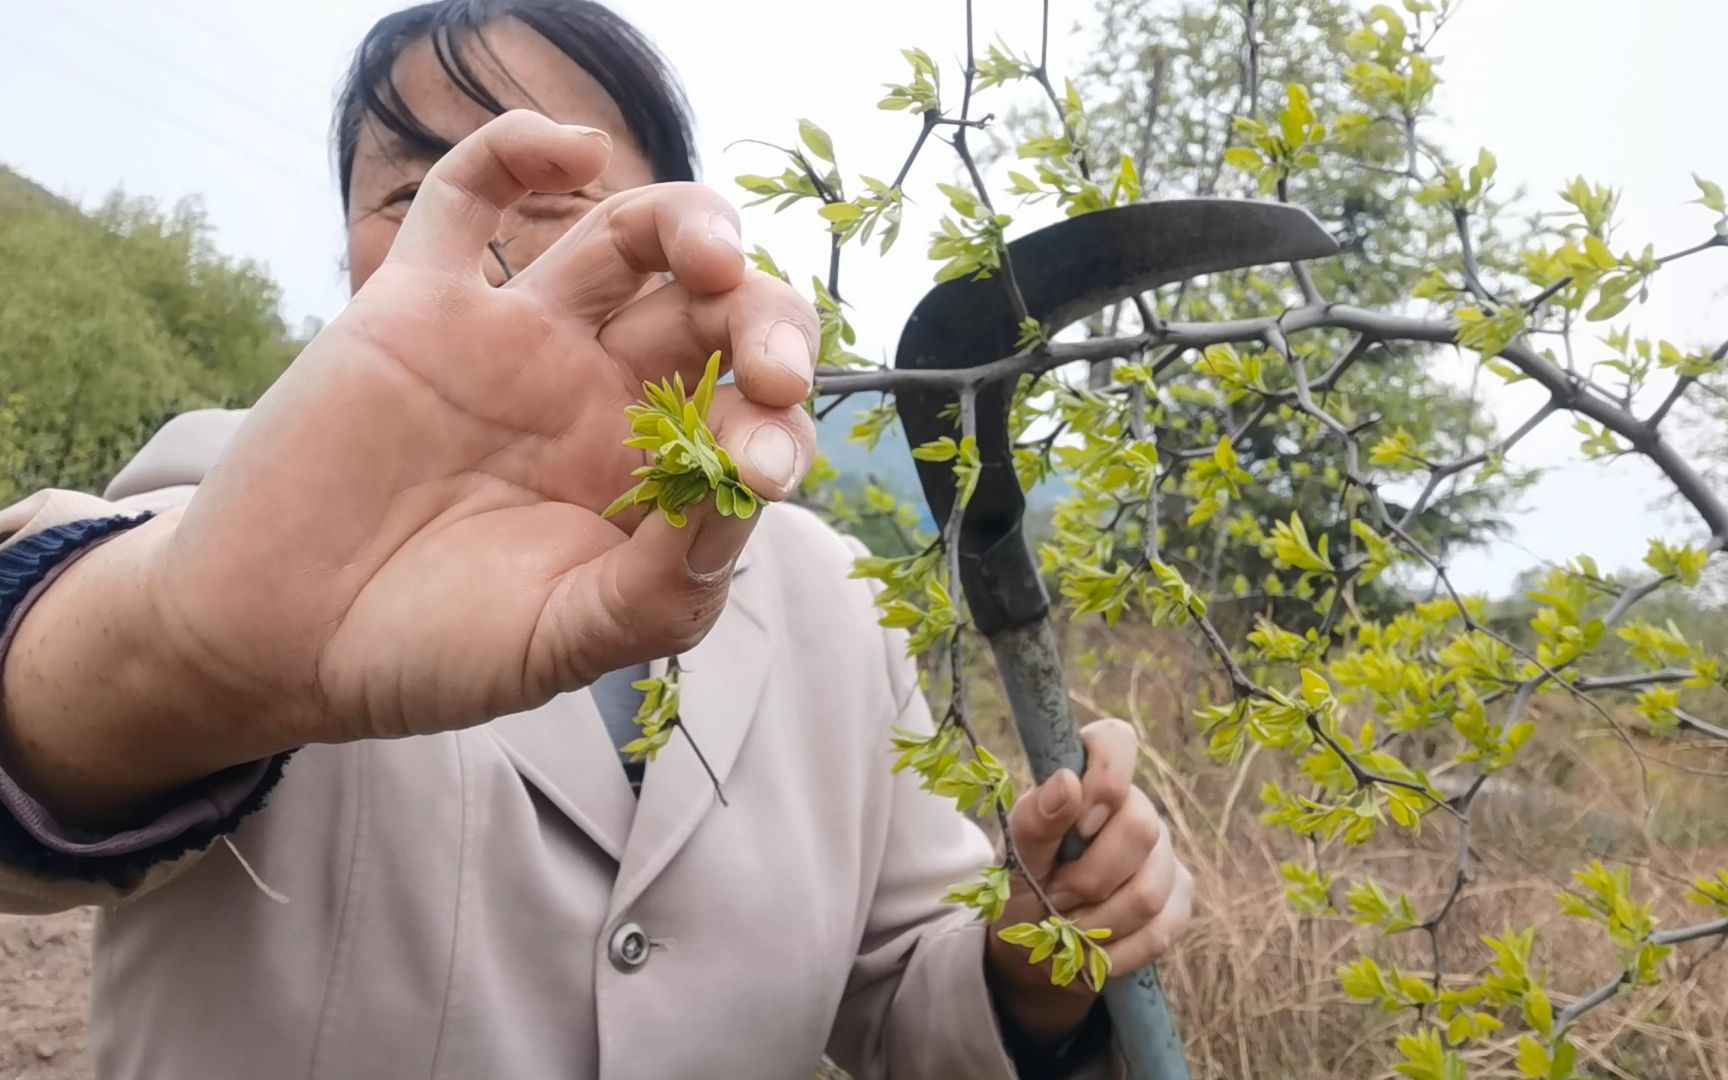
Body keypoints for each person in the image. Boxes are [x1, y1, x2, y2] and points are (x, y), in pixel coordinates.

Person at [0, 2, 1193, 1076]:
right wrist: (185, 652)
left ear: (687, 229)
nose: (496, 246)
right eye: (412, 197)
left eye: (558, 194)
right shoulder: (231, 482)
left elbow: (901, 998)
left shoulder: (830, 598)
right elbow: (60, 652)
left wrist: (1027, 973)